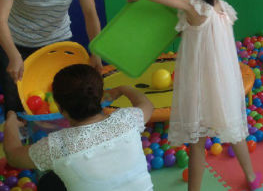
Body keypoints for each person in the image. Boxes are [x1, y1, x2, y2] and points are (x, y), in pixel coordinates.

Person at [128, 0, 260, 191]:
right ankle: (251, 177)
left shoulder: (193, 6)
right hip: (224, 86)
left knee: (197, 144)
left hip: (199, 86)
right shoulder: (223, 9)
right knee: (235, 132)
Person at [0, 0, 102, 115]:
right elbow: (1, 19)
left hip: (57, 42)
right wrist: (13, 56)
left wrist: (96, 51)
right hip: (17, 43)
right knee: (16, 101)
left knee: (63, 95)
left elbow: (90, 13)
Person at [3, 64, 154, 191]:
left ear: (60, 108)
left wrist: (10, 123)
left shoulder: (57, 145)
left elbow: (13, 156)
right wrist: (123, 89)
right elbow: (147, 104)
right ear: (101, 96)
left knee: (48, 181)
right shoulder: (128, 120)